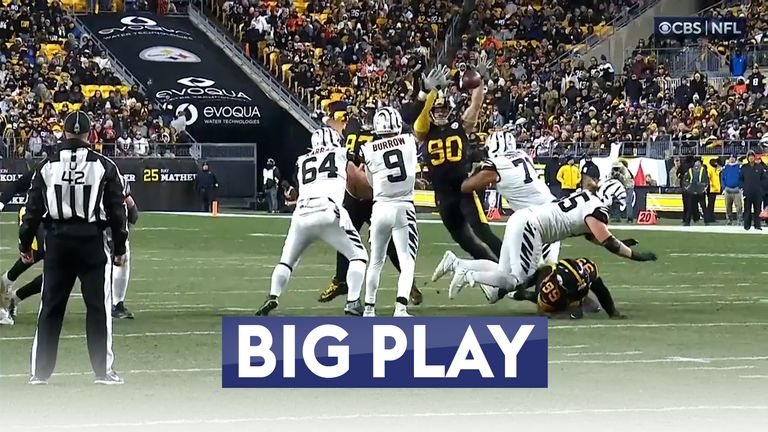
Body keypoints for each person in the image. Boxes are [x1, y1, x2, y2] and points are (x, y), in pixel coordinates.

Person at [19, 111, 128, 385]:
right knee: (98, 308)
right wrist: (120, 247)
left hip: (57, 242)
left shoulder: (47, 165)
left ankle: (40, 374)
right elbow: (118, 211)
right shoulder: (104, 165)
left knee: (51, 307)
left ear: (65, 133)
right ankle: (103, 372)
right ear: (90, 134)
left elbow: (32, 211)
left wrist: (25, 243)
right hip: (91, 241)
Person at [433, 174, 657, 302]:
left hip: (522, 218)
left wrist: (621, 241)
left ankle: (458, 264)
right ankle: (468, 273)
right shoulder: (598, 208)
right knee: (516, 281)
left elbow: (595, 236)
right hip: (533, 228)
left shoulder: (587, 195)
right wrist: (635, 255)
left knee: (503, 272)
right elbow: (607, 242)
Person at [256, 127, 368, 316]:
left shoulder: (302, 161)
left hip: (301, 214)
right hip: (328, 211)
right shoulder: (341, 153)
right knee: (359, 256)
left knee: (286, 261)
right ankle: (353, 301)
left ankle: (273, 296)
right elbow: (360, 160)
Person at [319, 100, 422, 306]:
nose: (365, 119)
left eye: (370, 115)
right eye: (364, 114)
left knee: (390, 245)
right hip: (352, 196)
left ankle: (408, 283)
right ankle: (340, 280)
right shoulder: (353, 126)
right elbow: (341, 128)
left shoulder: (383, 138)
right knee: (344, 236)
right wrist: (325, 118)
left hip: (376, 198)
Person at [449, 128, 560, 286]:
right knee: (531, 273)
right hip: (546, 213)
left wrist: (473, 173)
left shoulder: (496, 165)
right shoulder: (523, 155)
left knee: (537, 274)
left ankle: (464, 270)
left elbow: (466, 187)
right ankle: (463, 269)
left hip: (538, 219)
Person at [415, 63, 503, 262]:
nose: (439, 112)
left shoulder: (460, 125)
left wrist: (478, 82)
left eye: (443, 108)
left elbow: (476, 105)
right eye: (436, 109)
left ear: (449, 109)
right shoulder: (424, 132)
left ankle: (517, 265)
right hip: (443, 195)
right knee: (465, 241)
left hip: (464, 189)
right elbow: (419, 122)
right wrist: (431, 92)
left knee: (483, 232)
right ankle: (495, 269)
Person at [359, 107, 419, 317]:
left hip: (380, 207)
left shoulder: (368, 148)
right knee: (406, 261)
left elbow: (370, 180)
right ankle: (400, 308)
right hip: (404, 206)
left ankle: (369, 308)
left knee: (376, 261)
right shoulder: (409, 141)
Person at [511, 257, 626, 320]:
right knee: (571, 311)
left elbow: (601, 290)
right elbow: (543, 311)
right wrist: (563, 314)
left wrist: (613, 312)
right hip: (545, 280)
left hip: (568, 291)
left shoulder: (587, 268)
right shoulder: (549, 290)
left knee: (593, 308)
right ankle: (525, 294)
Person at [740, 150, 766, 230]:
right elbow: (741, 179)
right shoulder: (744, 167)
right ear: (748, 158)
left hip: (757, 192)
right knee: (747, 209)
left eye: (752, 156)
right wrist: (743, 188)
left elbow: (763, 179)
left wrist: (761, 190)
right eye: (749, 156)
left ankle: (757, 225)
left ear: (754, 157)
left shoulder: (759, 167)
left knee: (757, 209)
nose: (751, 157)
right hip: (747, 192)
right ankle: (747, 225)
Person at [681, 158, 708, 226]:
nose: (697, 164)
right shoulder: (690, 171)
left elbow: (706, 180)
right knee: (689, 207)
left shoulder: (703, 170)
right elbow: (685, 180)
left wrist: (703, 188)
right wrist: (688, 187)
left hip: (700, 191)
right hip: (692, 191)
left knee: (703, 207)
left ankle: (707, 221)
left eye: (698, 163)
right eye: (696, 162)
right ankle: (687, 221)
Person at [721, 154, 743, 226]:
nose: (731, 159)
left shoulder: (739, 167)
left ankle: (739, 220)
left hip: (737, 189)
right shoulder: (725, 168)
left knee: (739, 206)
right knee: (728, 206)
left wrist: (740, 186)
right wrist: (724, 188)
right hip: (728, 189)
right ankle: (729, 220)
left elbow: (742, 178)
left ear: (735, 159)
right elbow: (722, 178)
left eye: (733, 157)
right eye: (730, 157)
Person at [705, 158, 722, 224]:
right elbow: (708, 179)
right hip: (711, 189)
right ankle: (709, 217)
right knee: (710, 204)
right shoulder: (710, 170)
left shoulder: (714, 170)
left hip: (714, 189)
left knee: (711, 204)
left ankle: (711, 217)